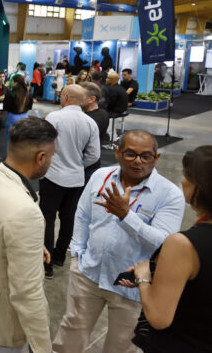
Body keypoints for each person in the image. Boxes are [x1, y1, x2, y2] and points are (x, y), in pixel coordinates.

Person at [53, 130, 185, 353]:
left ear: (157, 157)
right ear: (117, 153)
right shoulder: (100, 177)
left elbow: (164, 243)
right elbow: (83, 215)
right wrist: (77, 253)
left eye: (146, 156)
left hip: (131, 286)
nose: (138, 161)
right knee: (71, 332)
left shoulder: (169, 195)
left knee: (123, 346)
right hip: (88, 275)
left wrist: (126, 216)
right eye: (130, 154)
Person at [0, 117, 58, 353]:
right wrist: (42, 347)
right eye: (52, 155)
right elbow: (27, 293)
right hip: (2, 324)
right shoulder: (25, 212)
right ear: (41, 158)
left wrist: (31, 245)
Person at [118, 145, 212, 352]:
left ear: (201, 186)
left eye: (187, 175)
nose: (182, 180)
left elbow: (159, 317)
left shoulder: (182, 245)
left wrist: (144, 278)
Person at [40, 85, 101, 278]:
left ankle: (46, 265)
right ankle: (59, 257)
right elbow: (94, 155)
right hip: (76, 179)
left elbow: (43, 145)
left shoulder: (54, 118)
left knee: (47, 219)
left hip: (52, 177)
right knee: (69, 219)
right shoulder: (90, 122)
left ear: (65, 97)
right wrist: (77, 166)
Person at [80, 83, 110, 180]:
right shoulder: (102, 113)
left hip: (86, 166)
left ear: (92, 99)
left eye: (79, 96)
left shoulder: (89, 119)